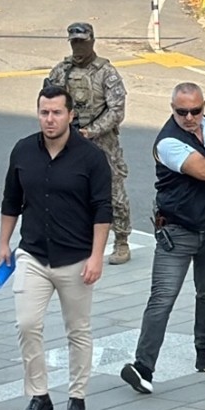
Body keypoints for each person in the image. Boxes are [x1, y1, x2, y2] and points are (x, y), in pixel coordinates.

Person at [119, 83, 205, 395]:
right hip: (178, 233)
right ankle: (143, 366)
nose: (190, 117)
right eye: (182, 112)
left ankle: (204, 352)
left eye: (196, 110)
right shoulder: (168, 142)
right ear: (172, 109)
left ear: (203, 106)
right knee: (162, 299)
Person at [0, 85, 112, 410]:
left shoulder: (91, 158)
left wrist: (96, 257)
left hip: (76, 259)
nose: (50, 119)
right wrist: (3, 243)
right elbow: (10, 201)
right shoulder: (23, 151)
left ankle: (77, 397)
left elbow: (102, 210)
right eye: (44, 112)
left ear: (71, 115)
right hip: (32, 254)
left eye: (57, 112)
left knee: (78, 329)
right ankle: (39, 395)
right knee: (27, 324)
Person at [45, 22, 133, 265]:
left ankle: (122, 241)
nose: (78, 46)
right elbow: (50, 101)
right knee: (70, 189)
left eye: (82, 42)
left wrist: (91, 131)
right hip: (69, 141)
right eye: (74, 42)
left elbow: (117, 110)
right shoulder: (61, 71)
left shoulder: (107, 73)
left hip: (102, 141)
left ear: (92, 42)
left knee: (114, 190)